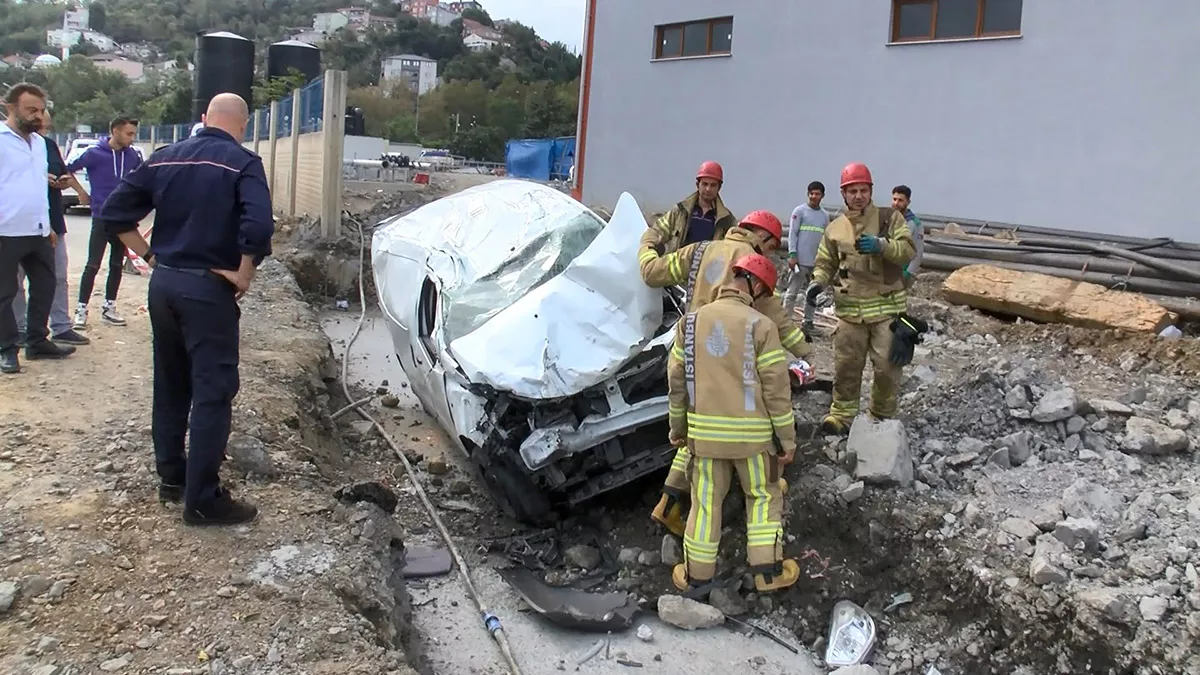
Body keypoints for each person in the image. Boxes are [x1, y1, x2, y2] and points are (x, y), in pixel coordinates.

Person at [96, 93, 274, 525]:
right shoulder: (244, 163)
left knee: (172, 382)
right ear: (243, 125)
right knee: (213, 391)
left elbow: (114, 213)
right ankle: (203, 500)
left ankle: (172, 478)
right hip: (208, 287)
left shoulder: (163, 158)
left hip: (165, 285)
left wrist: (150, 256)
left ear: (202, 120)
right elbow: (260, 226)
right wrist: (245, 271)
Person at [639, 209, 808, 536]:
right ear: (762, 236)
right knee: (750, 418)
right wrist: (803, 351)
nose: (769, 252)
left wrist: (647, 241)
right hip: (730, 351)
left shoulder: (698, 250)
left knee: (697, 427)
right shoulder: (751, 264)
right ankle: (761, 479)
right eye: (772, 245)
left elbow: (651, 272)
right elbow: (776, 317)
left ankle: (669, 502)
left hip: (690, 348)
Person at [667, 253, 800, 593]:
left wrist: (678, 428)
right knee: (763, 498)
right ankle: (767, 574)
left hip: (705, 440)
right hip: (754, 442)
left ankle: (697, 578)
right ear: (755, 285)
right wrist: (786, 440)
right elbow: (776, 391)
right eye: (763, 292)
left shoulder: (691, 323)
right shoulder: (762, 326)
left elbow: (677, 381)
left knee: (705, 504)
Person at [806, 163, 915, 435]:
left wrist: (882, 246)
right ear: (843, 194)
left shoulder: (890, 219)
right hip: (849, 312)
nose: (858, 195)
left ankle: (881, 415)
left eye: (863, 190)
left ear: (871, 191)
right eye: (852, 191)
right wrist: (817, 282)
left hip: (887, 310)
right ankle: (841, 415)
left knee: (887, 368)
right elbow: (825, 262)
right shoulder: (835, 228)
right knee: (846, 366)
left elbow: (907, 251)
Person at [0, 83, 77, 374]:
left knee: (46, 287)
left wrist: (48, 225)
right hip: (5, 232)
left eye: (41, 110)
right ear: (11, 108)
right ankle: (7, 349)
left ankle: (37, 342)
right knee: (4, 294)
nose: (38, 116)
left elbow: (37, 188)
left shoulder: (40, 144)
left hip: (39, 231)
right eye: (31, 110)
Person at [12, 109, 91, 346]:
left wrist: (68, 184)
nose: (42, 127)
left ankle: (60, 326)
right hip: (20, 224)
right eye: (37, 121)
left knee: (57, 277)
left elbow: (63, 170)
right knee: (15, 281)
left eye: (45, 124)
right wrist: (38, 178)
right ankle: (19, 328)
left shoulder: (47, 145)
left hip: (52, 220)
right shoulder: (11, 146)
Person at [67, 116, 144, 329]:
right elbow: (68, 169)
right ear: (115, 131)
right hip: (101, 216)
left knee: (117, 265)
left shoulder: (133, 156)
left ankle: (109, 307)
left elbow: (142, 179)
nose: (132, 138)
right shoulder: (94, 153)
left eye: (134, 134)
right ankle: (81, 310)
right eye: (129, 133)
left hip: (123, 219)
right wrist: (81, 192)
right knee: (92, 264)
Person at [639, 161, 737, 256]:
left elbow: (735, 247)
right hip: (678, 269)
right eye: (705, 184)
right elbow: (656, 231)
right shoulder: (680, 211)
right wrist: (648, 248)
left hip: (707, 271)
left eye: (713, 185)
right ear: (697, 185)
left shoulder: (726, 220)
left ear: (719, 188)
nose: (708, 189)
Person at [783, 181, 830, 324]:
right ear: (808, 194)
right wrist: (792, 254)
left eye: (817, 194)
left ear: (822, 196)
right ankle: (785, 322)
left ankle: (808, 321)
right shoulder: (799, 212)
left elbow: (826, 239)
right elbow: (793, 234)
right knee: (792, 293)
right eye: (812, 193)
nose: (814, 196)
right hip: (800, 261)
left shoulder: (824, 216)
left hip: (816, 263)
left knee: (812, 294)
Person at [891, 185, 923, 288]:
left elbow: (918, 252)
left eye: (900, 200)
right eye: (894, 199)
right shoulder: (889, 219)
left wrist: (908, 273)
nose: (896, 203)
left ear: (908, 202)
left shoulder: (915, 224)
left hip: (903, 272)